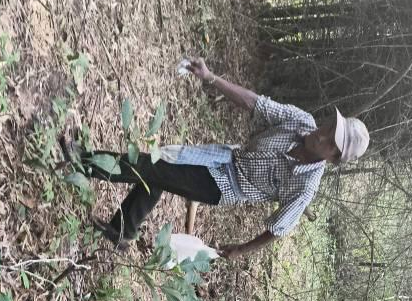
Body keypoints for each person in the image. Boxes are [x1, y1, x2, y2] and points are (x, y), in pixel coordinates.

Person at [60, 57, 369, 259]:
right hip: (223, 156)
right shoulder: (301, 121)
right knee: (159, 166)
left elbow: (279, 227)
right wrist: (210, 78)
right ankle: (122, 231)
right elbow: (256, 104)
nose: (322, 135)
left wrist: (241, 250)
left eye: (330, 141)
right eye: (328, 127)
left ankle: (82, 162)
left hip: (221, 186)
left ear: (333, 158)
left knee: (152, 166)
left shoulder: (305, 186)